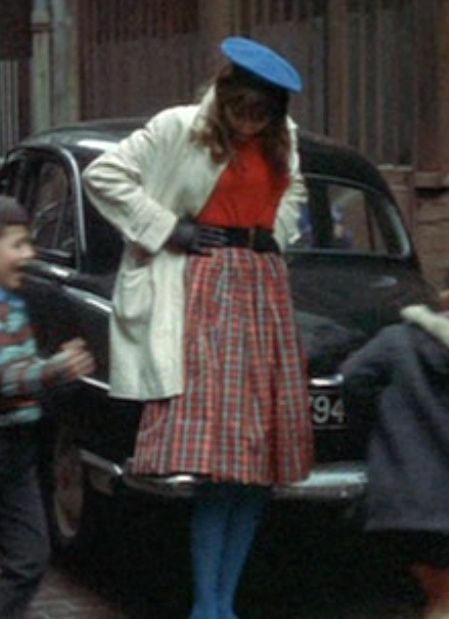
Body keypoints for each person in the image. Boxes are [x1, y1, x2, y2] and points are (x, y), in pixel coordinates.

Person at [83, 36, 313, 619]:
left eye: (264, 111)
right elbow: (105, 174)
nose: (250, 120)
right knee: (221, 463)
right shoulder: (178, 126)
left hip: (263, 292)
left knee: (256, 468)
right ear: (225, 89)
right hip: (205, 291)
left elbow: (293, 196)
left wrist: (273, 235)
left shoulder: (282, 139)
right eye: (242, 105)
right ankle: (207, 606)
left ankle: (226, 603)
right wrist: (170, 228)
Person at [0, 195, 95, 618]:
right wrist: (52, 370)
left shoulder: (17, 301)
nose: (29, 254)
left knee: (29, 557)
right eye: (17, 244)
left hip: (16, 448)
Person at [341, 304, 449, 619]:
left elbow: (351, 378)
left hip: (402, 501)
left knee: (436, 598)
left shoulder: (397, 341)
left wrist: (384, 418)